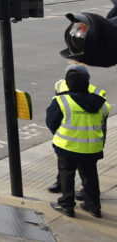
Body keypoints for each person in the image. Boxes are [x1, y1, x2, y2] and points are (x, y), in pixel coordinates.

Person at [47, 65, 110, 218]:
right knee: (90, 177)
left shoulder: (62, 101)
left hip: (67, 147)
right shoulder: (101, 103)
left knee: (67, 175)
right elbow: (103, 124)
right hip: (92, 148)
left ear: (67, 84)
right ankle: (93, 206)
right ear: (88, 83)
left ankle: (66, 205)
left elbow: (51, 122)